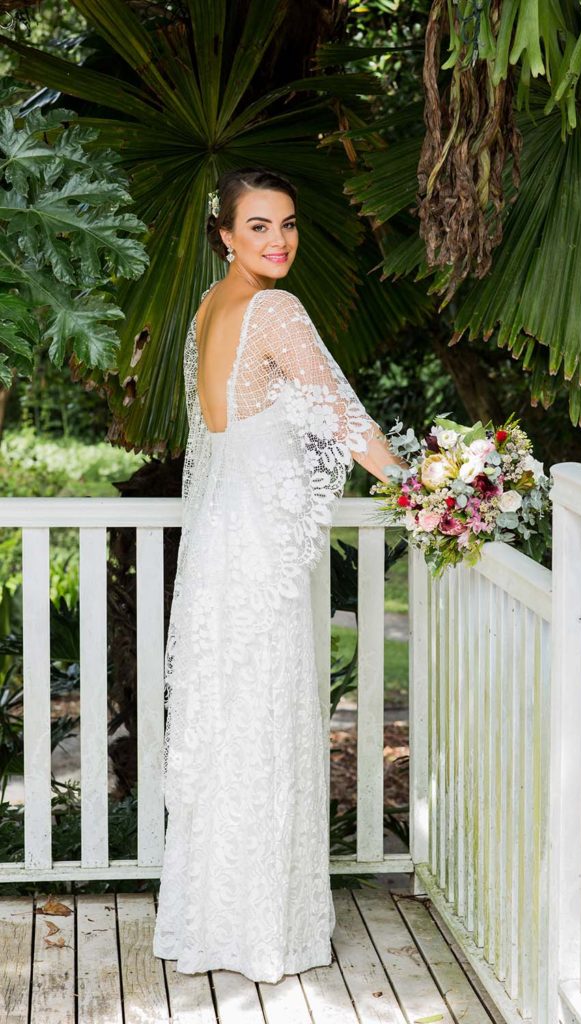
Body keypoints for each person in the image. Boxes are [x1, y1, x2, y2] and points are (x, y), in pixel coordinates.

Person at [151, 167, 409, 983]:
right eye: (258, 226)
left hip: (225, 542)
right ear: (225, 234)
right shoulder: (274, 309)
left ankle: (212, 923)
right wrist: (429, 485)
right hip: (258, 550)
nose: (279, 241)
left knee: (235, 722)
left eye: (288, 224)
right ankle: (258, 932)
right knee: (261, 720)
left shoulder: (209, 306)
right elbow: (343, 416)